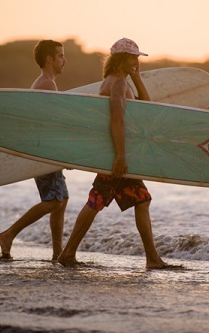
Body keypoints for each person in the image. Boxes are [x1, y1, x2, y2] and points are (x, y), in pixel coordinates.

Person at [58, 38, 176, 269]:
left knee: (135, 200)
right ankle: (68, 253)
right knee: (99, 201)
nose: (136, 61)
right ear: (122, 59)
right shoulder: (118, 84)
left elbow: (146, 109)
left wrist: (137, 77)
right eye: (133, 57)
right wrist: (120, 157)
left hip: (116, 153)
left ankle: (151, 259)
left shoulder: (117, 81)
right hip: (116, 155)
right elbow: (117, 119)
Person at [0, 40, 69, 260]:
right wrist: (62, 154)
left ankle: (58, 254)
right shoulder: (46, 84)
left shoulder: (44, 82)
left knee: (61, 200)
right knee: (54, 200)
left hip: (43, 149)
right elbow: (49, 125)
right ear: (49, 59)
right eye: (61, 56)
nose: (65, 60)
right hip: (43, 151)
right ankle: (8, 234)